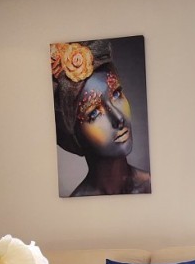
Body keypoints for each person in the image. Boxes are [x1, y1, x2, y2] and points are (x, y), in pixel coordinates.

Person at [51, 39, 152, 197]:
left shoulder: (153, 185)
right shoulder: (77, 205)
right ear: (73, 136)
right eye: (94, 113)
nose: (118, 118)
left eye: (116, 94)